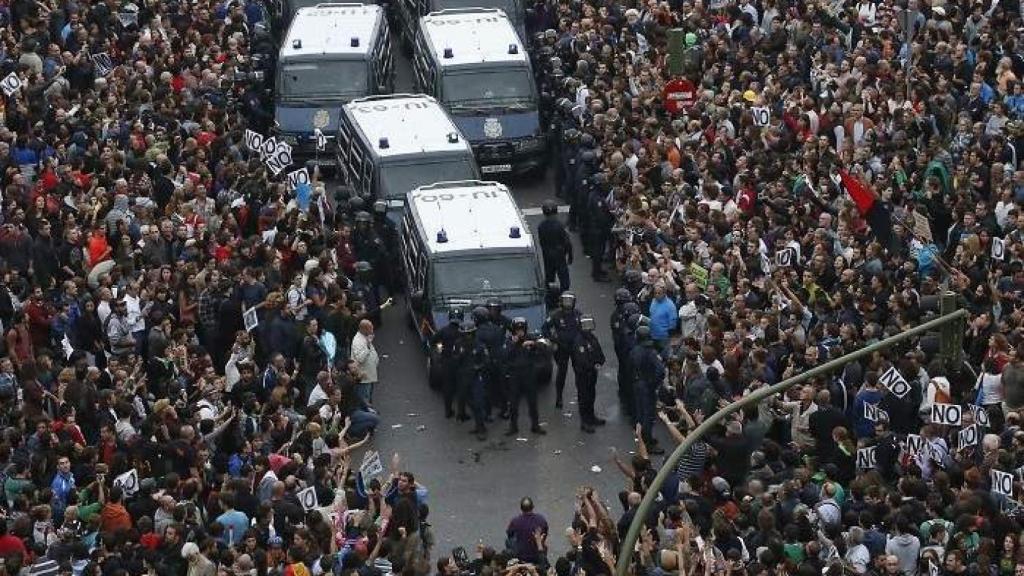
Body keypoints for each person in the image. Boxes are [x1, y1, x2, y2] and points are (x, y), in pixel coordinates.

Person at [505, 318, 546, 437]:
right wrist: (513, 343)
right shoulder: (509, 341)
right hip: (515, 375)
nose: (520, 332)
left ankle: (535, 425)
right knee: (513, 403)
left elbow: (544, 348)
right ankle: (513, 427)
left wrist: (533, 344)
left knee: (532, 402)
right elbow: (505, 355)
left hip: (529, 373)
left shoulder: (530, 339)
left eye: (521, 330)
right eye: (517, 330)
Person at [543, 292, 582, 409]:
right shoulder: (555, 315)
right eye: (565, 301)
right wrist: (553, 339)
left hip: (575, 347)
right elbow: (545, 328)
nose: (568, 304)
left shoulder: (578, 314)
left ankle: (581, 395)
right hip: (562, 348)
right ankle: (559, 397)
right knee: (562, 372)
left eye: (570, 301)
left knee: (579, 372)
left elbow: (585, 327)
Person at [570, 316, 605, 433]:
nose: (588, 328)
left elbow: (598, 351)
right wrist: (592, 366)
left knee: (591, 395)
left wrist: (600, 361)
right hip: (583, 374)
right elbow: (581, 360)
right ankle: (585, 422)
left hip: (592, 373)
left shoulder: (591, 337)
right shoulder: (579, 341)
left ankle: (591, 417)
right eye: (585, 326)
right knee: (584, 398)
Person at [537, 200, 573, 291]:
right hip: (559, 255)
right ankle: (563, 297)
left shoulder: (541, 226)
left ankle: (550, 297)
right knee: (564, 280)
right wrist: (570, 255)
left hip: (547, 256)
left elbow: (541, 242)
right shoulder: (560, 225)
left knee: (549, 279)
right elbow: (567, 242)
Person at [350, 320, 379, 407]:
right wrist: (368, 345)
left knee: (368, 399)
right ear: (364, 329)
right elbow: (360, 358)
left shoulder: (365, 338)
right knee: (364, 401)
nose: (372, 331)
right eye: (371, 329)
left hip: (368, 376)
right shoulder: (357, 341)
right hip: (363, 378)